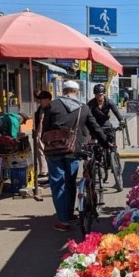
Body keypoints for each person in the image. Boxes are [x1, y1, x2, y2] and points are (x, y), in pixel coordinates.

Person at [43, 80, 108, 232]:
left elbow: (44, 129)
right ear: (76, 92)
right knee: (71, 181)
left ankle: (63, 220)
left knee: (58, 183)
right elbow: (95, 127)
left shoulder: (52, 105)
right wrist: (106, 142)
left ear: (63, 91)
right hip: (74, 150)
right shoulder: (83, 108)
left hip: (54, 150)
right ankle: (70, 214)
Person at [87, 83, 124, 150]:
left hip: (106, 125)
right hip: (95, 125)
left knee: (111, 141)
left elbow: (117, 113)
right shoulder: (91, 104)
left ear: (104, 94)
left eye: (100, 95)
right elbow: (86, 115)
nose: (98, 97)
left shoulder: (109, 102)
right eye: (96, 95)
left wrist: (121, 122)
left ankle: (113, 155)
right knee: (93, 147)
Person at [33, 90, 52, 183]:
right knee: (40, 152)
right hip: (40, 133)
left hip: (47, 134)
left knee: (47, 153)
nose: (40, 101)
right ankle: (44, 171)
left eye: (41, 99)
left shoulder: (51, 109)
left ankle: (47, 172)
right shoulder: (40, 109)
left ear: (47, 100)